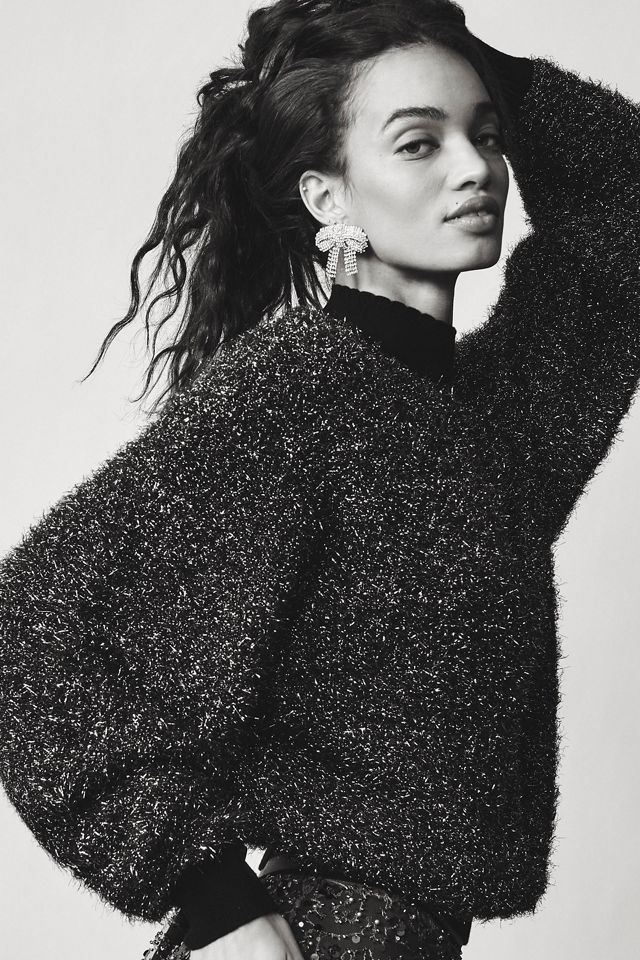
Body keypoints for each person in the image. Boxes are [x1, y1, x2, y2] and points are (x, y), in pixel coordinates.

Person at [0, 0, 638, 958]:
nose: (476, 168)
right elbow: (28, 633)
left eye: (487, 134)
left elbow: (627, 202)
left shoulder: (496, 420)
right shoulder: (296, 392)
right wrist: (215, 900)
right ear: (328, 198)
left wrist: (469, 56)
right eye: (418, 143)